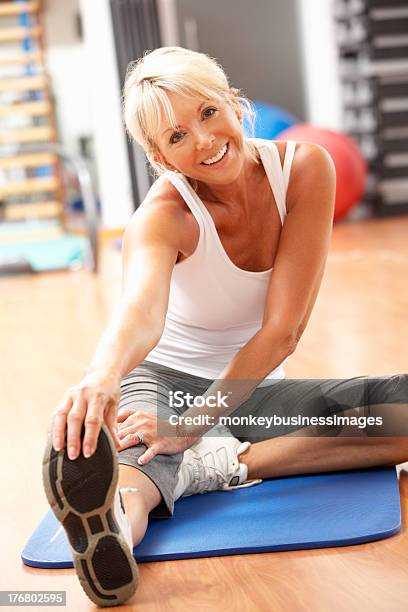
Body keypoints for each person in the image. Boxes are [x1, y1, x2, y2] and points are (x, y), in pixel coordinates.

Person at [42, 46, 408, 607]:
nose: (204, 141)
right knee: (142, 463)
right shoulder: (164, 217)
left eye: (208, 114)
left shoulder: (306, 168)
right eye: (177, 137)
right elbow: (140, 311)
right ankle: (113, 531)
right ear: (161, 158)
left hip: (253, 395)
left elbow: (284, 330)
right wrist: (103, 374)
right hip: (162, 385)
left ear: (236, 104)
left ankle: (218, 463)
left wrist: (196, 425)